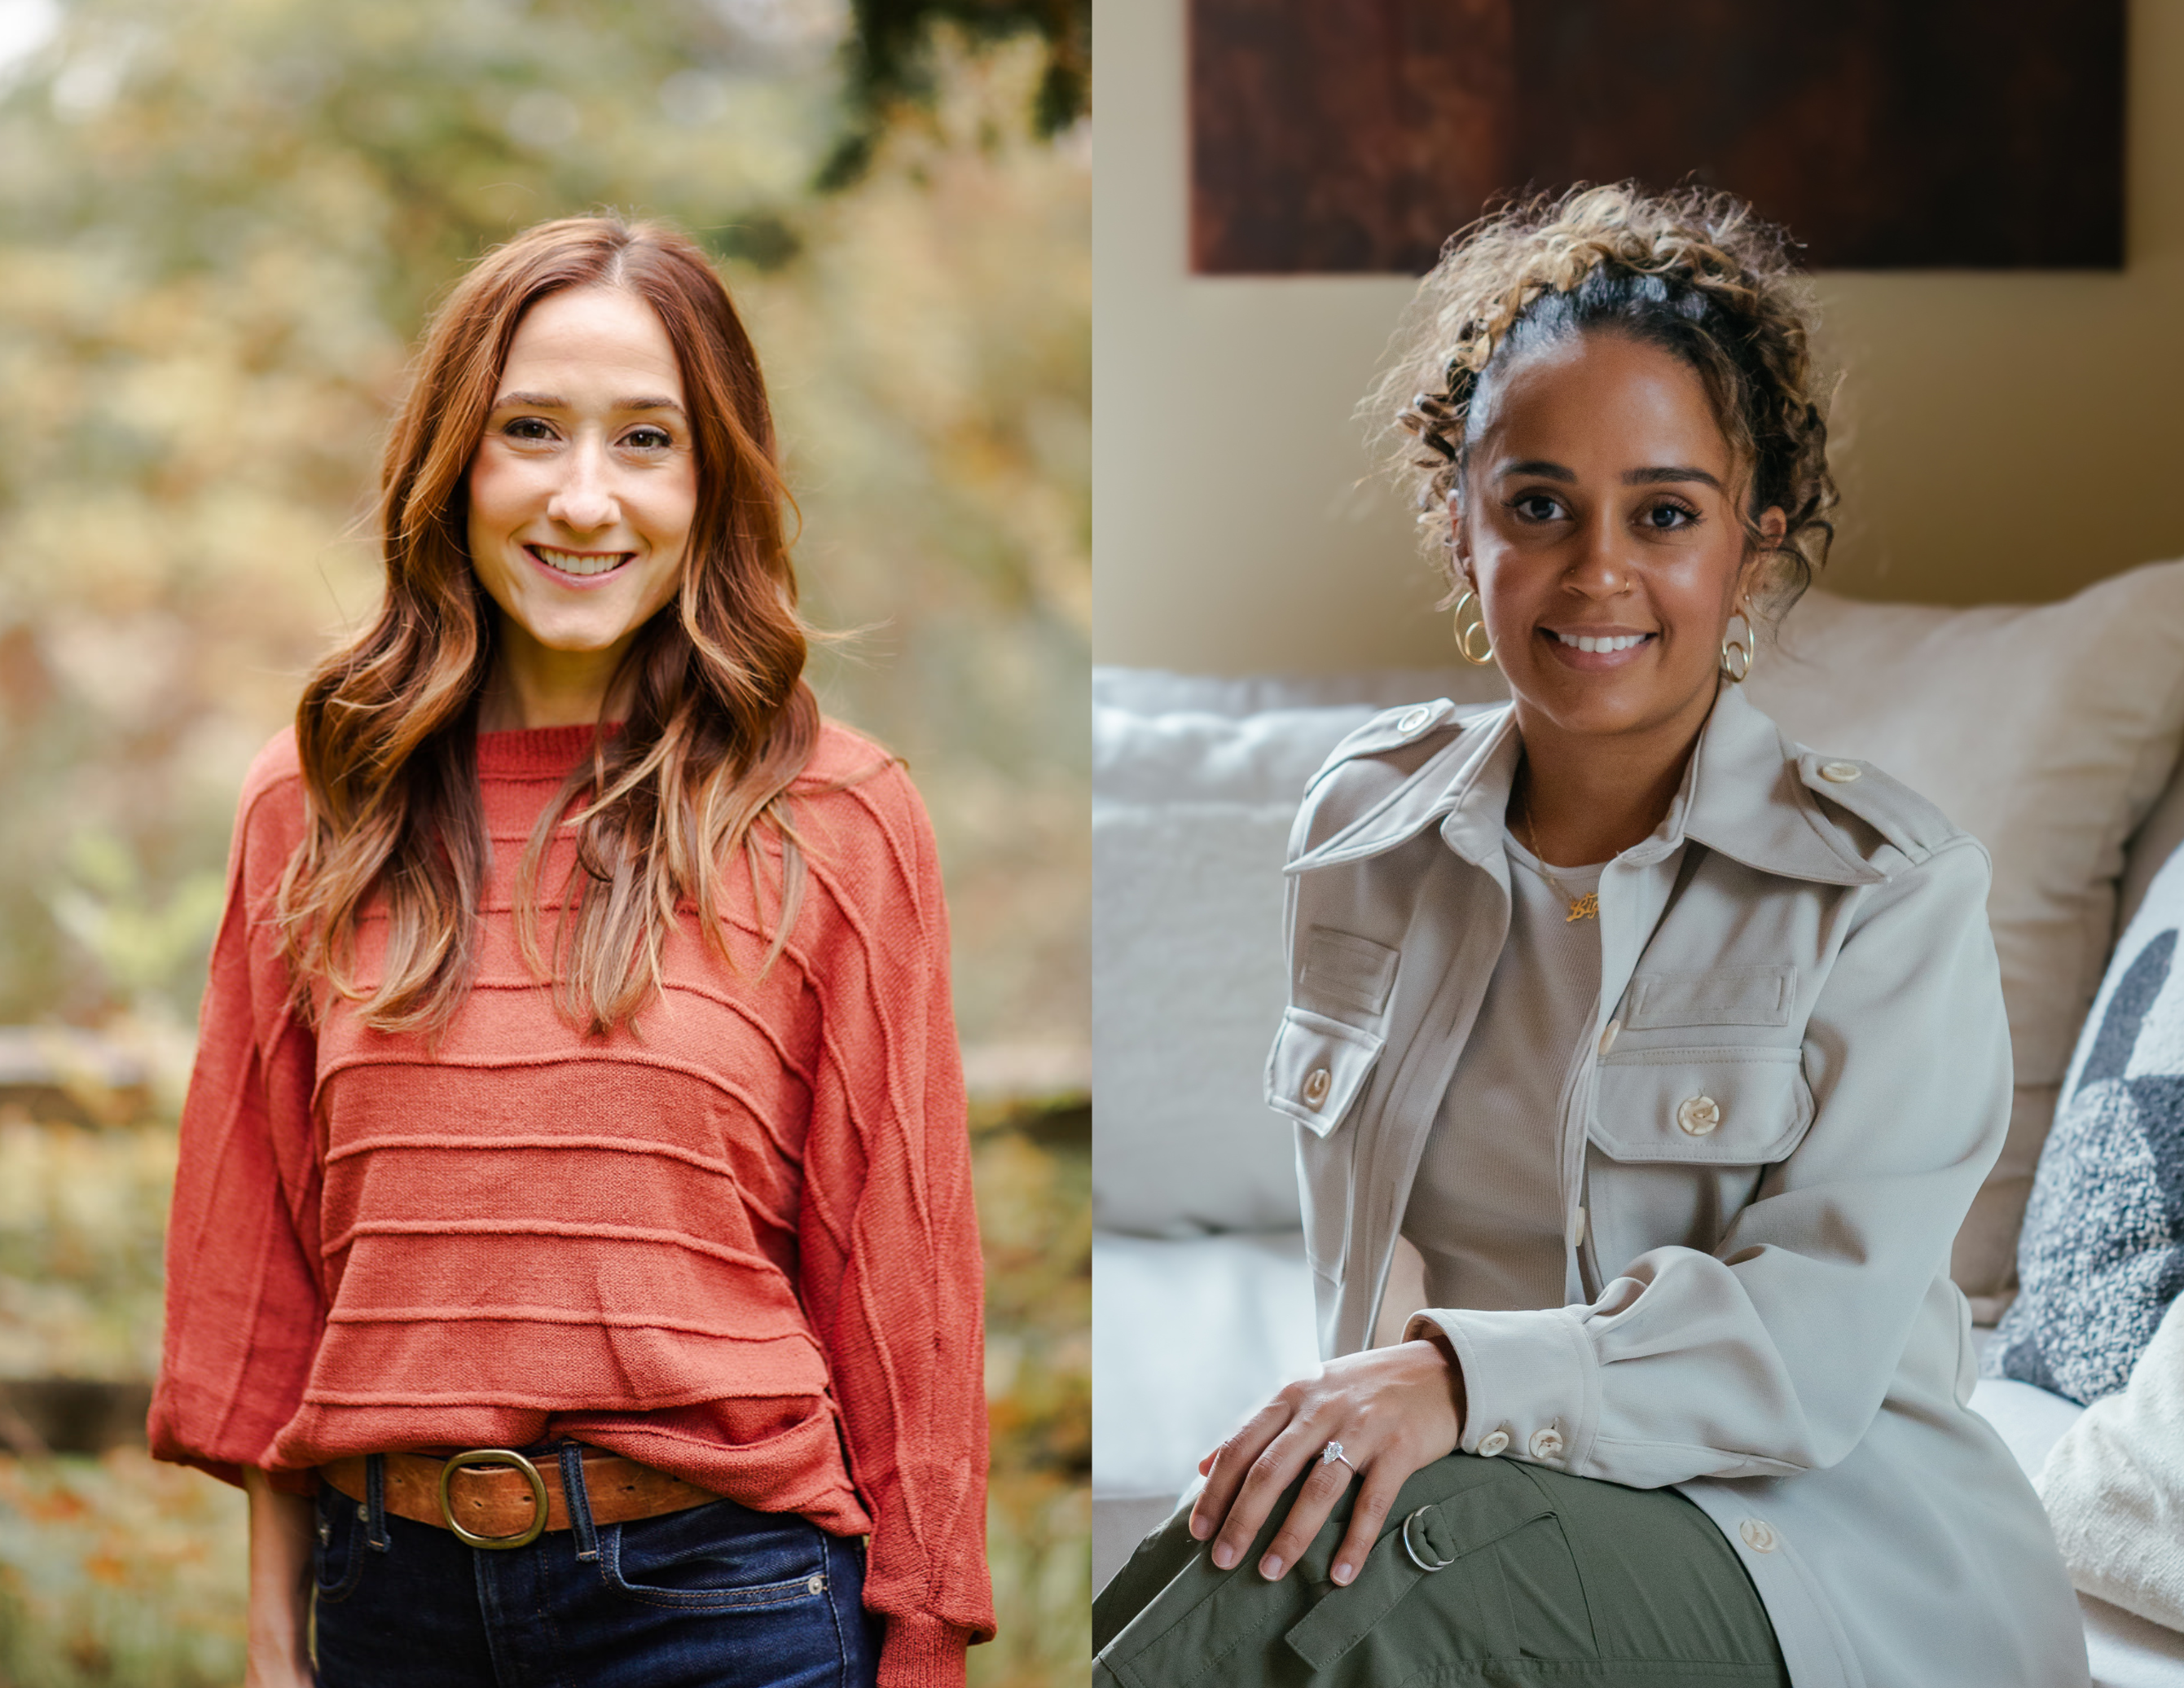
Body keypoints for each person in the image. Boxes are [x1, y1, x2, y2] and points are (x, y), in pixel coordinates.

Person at [1093, 187, 2086, 1686]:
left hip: (1806, 1550)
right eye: (1539, 504)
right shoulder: (1364, 838)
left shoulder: (1884, 892)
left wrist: (1455, 1381)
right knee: (1200, 1573)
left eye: (1666, 514)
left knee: (1359, 1609)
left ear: (1751, 553)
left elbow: (1807, 1354)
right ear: (1461, 523)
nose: (1597, 570)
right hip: (1483, 1494)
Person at [148, 215, 994, 1688]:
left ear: (711, 476)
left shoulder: (837, 819)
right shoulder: (314, 806)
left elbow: (903, 1289)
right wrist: (274, 1653)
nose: (585, 500)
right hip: (388, 1606)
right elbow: (283, 1274)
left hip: (725, 1609)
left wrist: (921, 1648)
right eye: (530, 429)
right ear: (453, 462)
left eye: (647, 440)